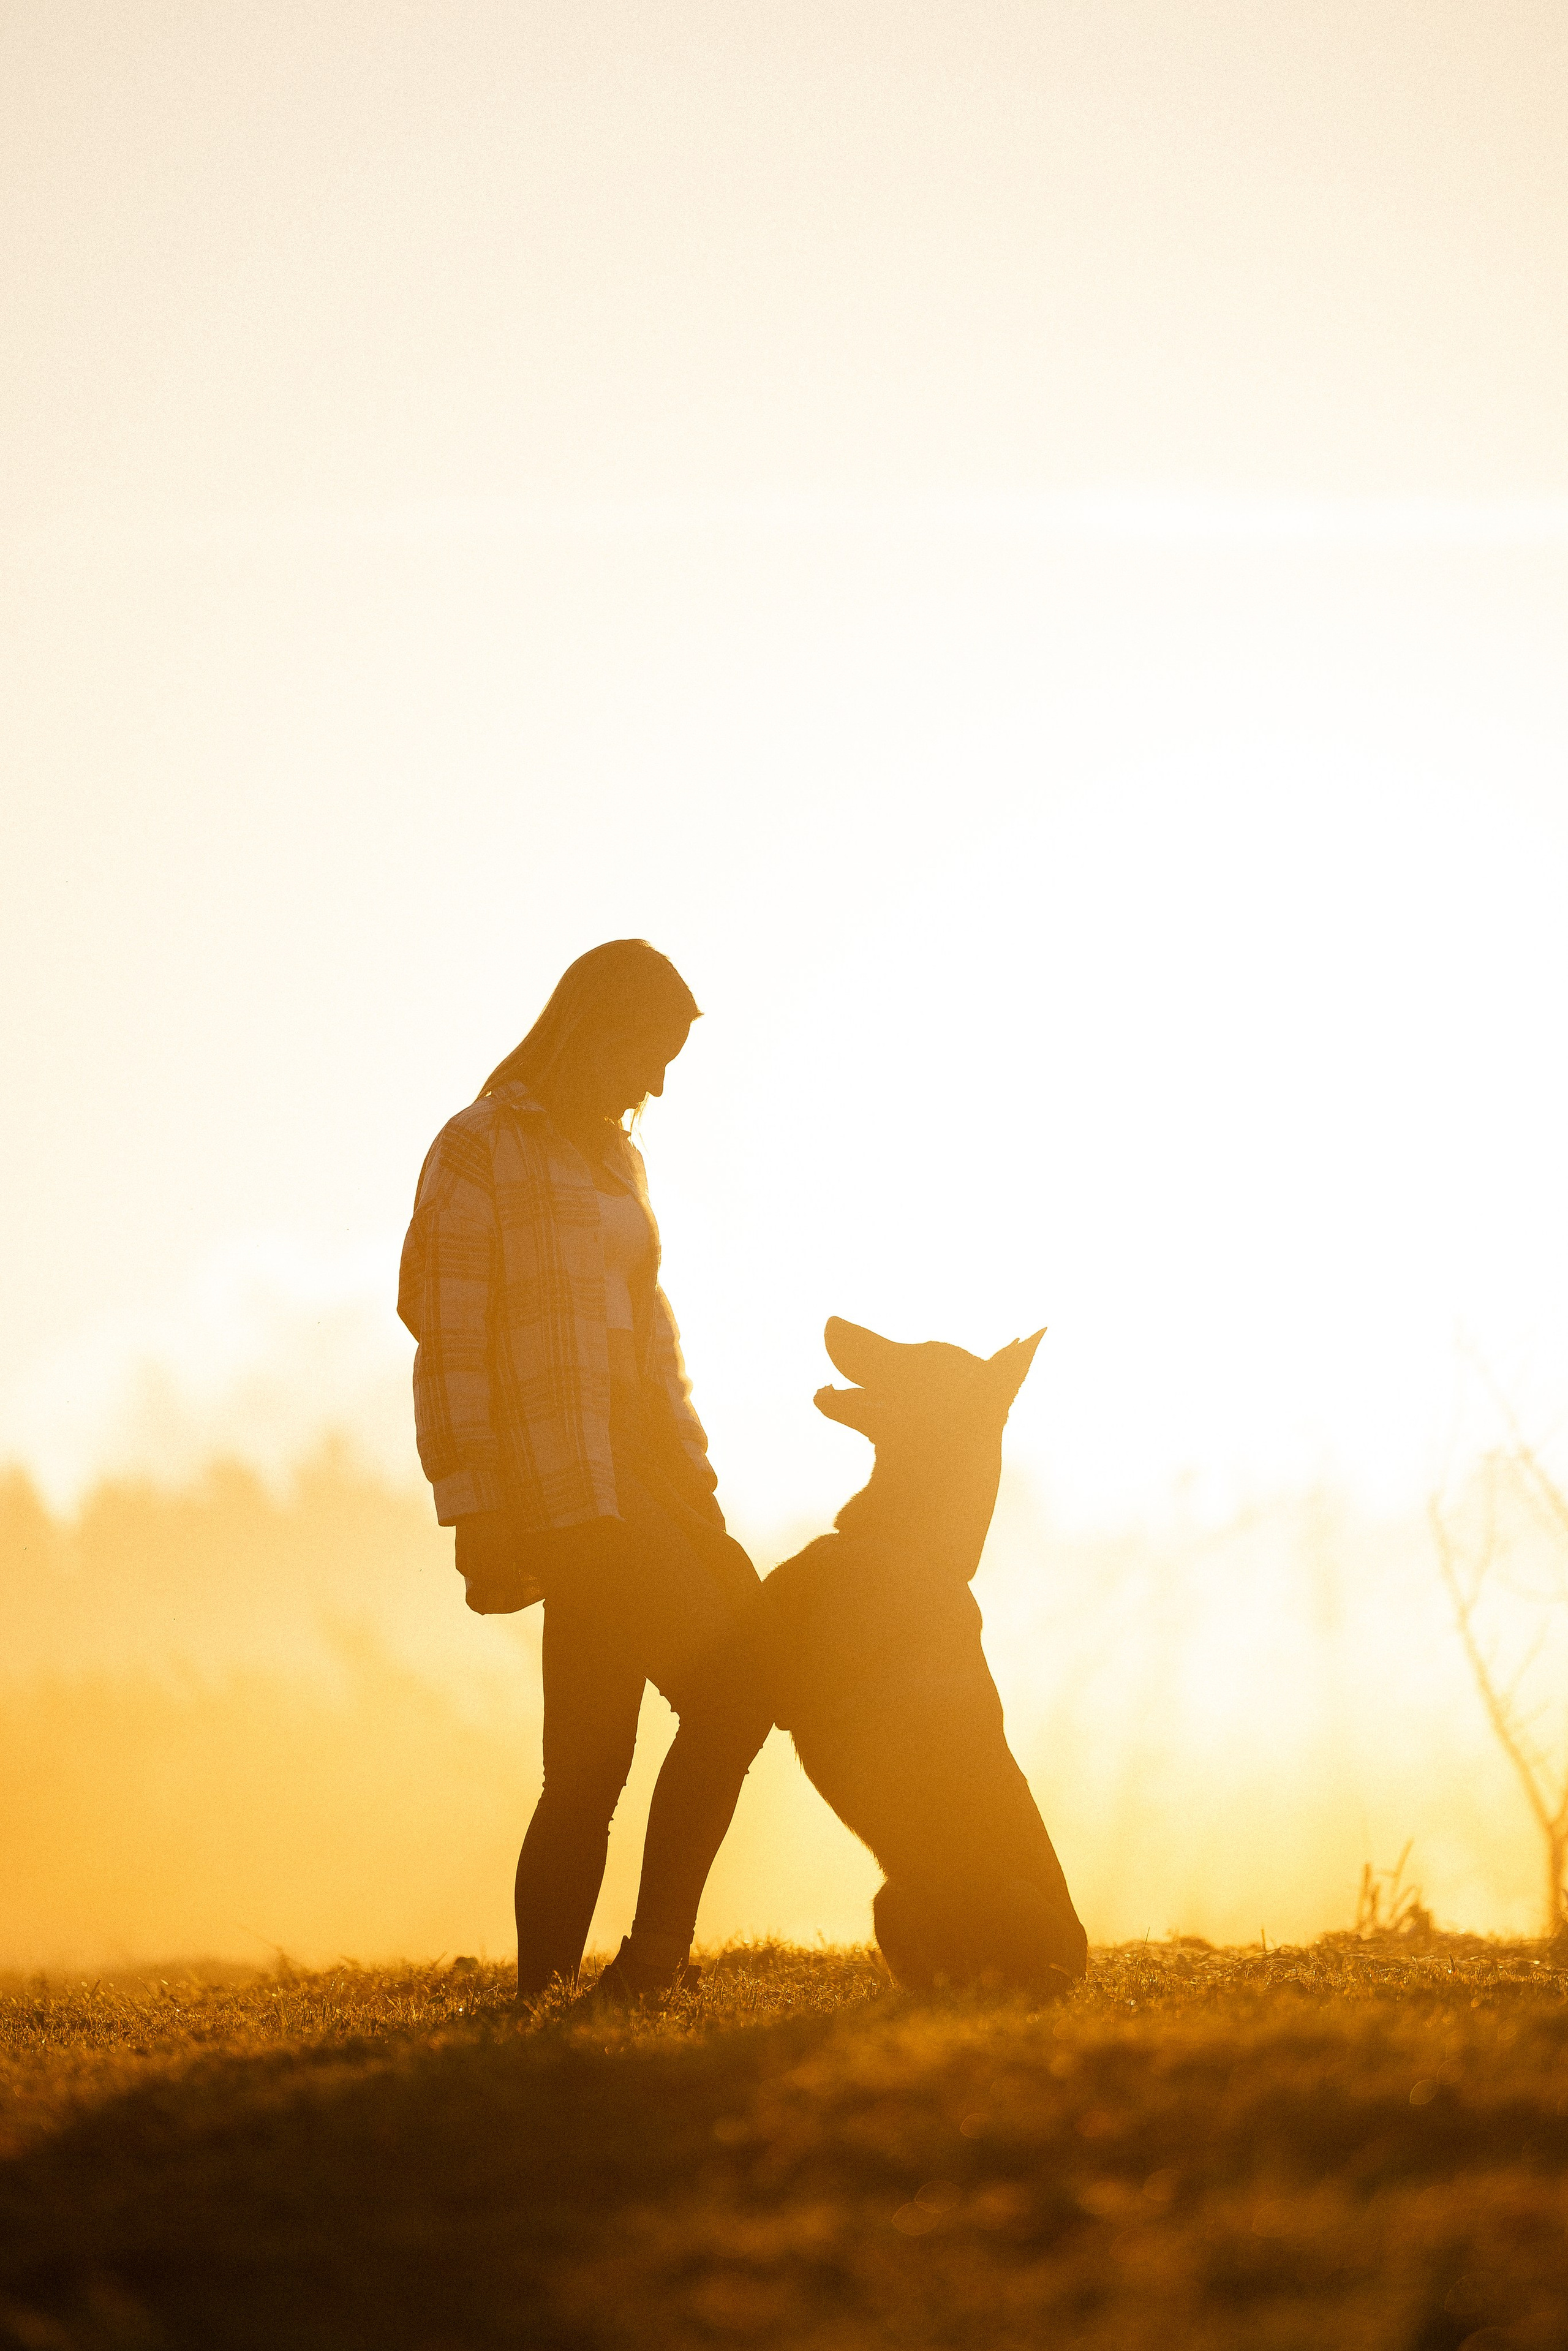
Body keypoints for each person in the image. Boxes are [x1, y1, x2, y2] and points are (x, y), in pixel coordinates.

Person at [397, 940, 770, 2003]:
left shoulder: (618, 1161)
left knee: (590, 1766)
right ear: (592, 1026)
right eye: (650, 1051)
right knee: (734, 1694)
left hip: (648, 1479)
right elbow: (449, 1336)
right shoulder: (478, 1148)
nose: (656, 1084)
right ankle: (650, 1965)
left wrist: (693, 1474)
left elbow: (652, 1333)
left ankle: (545, 1993)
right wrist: (470, 1501)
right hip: (566, 1490)